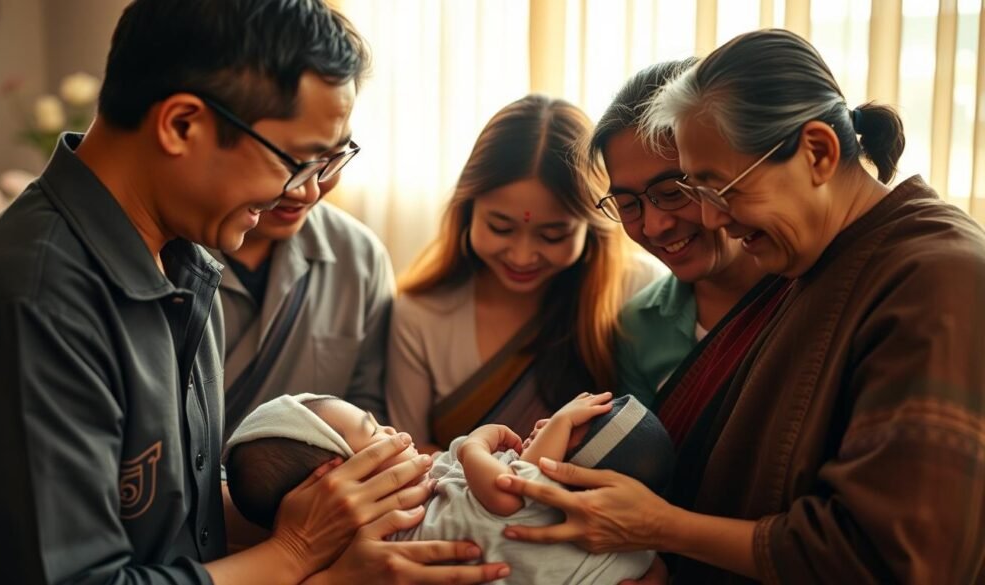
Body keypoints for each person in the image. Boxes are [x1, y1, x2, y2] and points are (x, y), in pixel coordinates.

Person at [0, 1, 508, 583]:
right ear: (181, 125)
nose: (303, 192)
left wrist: (350, 514)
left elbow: (176, 520)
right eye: (296, 162)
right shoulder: (33, 302)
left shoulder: (187, 261)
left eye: (332, 160)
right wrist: (301, 557)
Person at [494, 28, 985, 584]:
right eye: (698, 193)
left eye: (718, 190)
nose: (710, 219)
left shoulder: (939, 278)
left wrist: (661, 527)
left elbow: (890, 558)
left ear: (818, 153)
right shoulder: (814, 264)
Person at [386, 94, 666, 450]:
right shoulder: (419, 315)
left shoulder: (637, 288)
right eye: (501, 228)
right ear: (467, 211)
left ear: (589, 228)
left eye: (553, 235)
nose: (522, 256)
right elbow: (405, 452)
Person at [225, 391, 675, 584]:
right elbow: (511, 490)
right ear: (337, 476)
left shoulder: (344, 554)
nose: (395, 432)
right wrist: (473, 443)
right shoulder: (398, 528)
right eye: (374, 430)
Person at [587, 60, 766, 407]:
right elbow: (645, 458)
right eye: (627, 204)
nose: (654, 226)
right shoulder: (638, 326)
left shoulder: (807, 290)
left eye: (672, 193)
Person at [215, 111, 395, 439]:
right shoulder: (166, 254)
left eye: (330, 158)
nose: (307, 191)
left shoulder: (360, 258)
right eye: (288, 160)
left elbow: (371, 411)